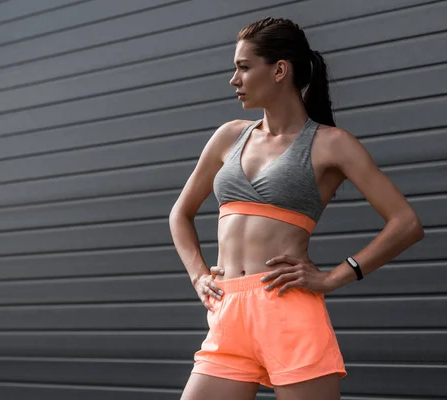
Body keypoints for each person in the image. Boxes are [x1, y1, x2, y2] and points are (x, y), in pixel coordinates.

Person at [168, 17, 425, 400]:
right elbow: (180, 213)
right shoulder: (229, 136)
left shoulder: (331, 144)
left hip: (288, 313)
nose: (233, 79)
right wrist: (198, 276)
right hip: (228, 314)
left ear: (279, 70)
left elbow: (406, 223)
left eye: (243, 67)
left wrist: (335, 276)